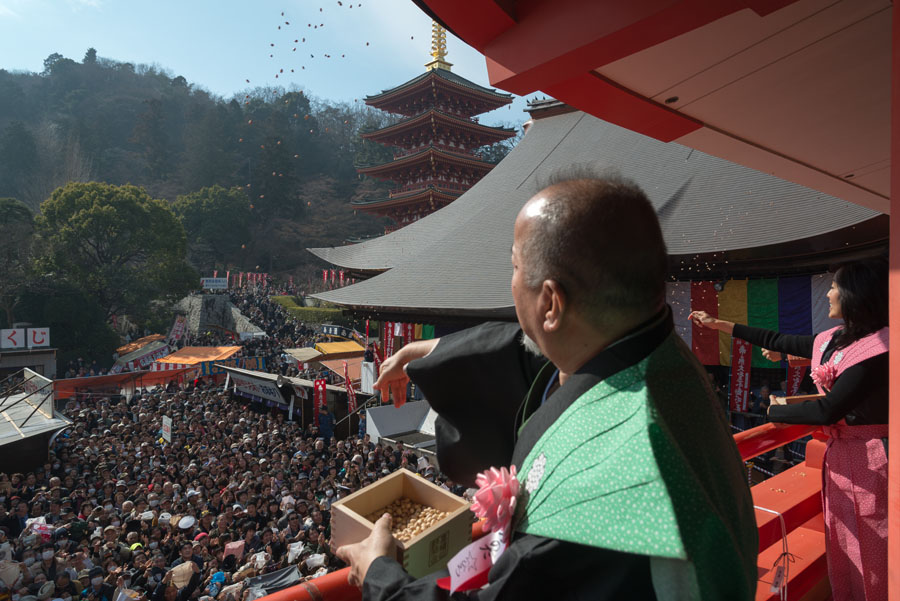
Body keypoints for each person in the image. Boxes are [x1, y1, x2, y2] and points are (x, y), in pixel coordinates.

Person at [337, 171, 758, 600]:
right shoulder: (657, 355)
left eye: (516, 267)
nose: (513, 281)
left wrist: (379, 573)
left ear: (551, 303)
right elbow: (530, 351)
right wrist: (424, 352)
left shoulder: (604, 483)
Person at [690, 258, 888, 601]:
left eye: (834, 287)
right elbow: (776, 339)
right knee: (842, 540)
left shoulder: (878, 348)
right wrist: (717, 323)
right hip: (841, 458)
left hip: (873, 460)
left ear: (855, 295)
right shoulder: (835, 338)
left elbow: (829, 409)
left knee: (874, 545)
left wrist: (773, 411)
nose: (827, 294)